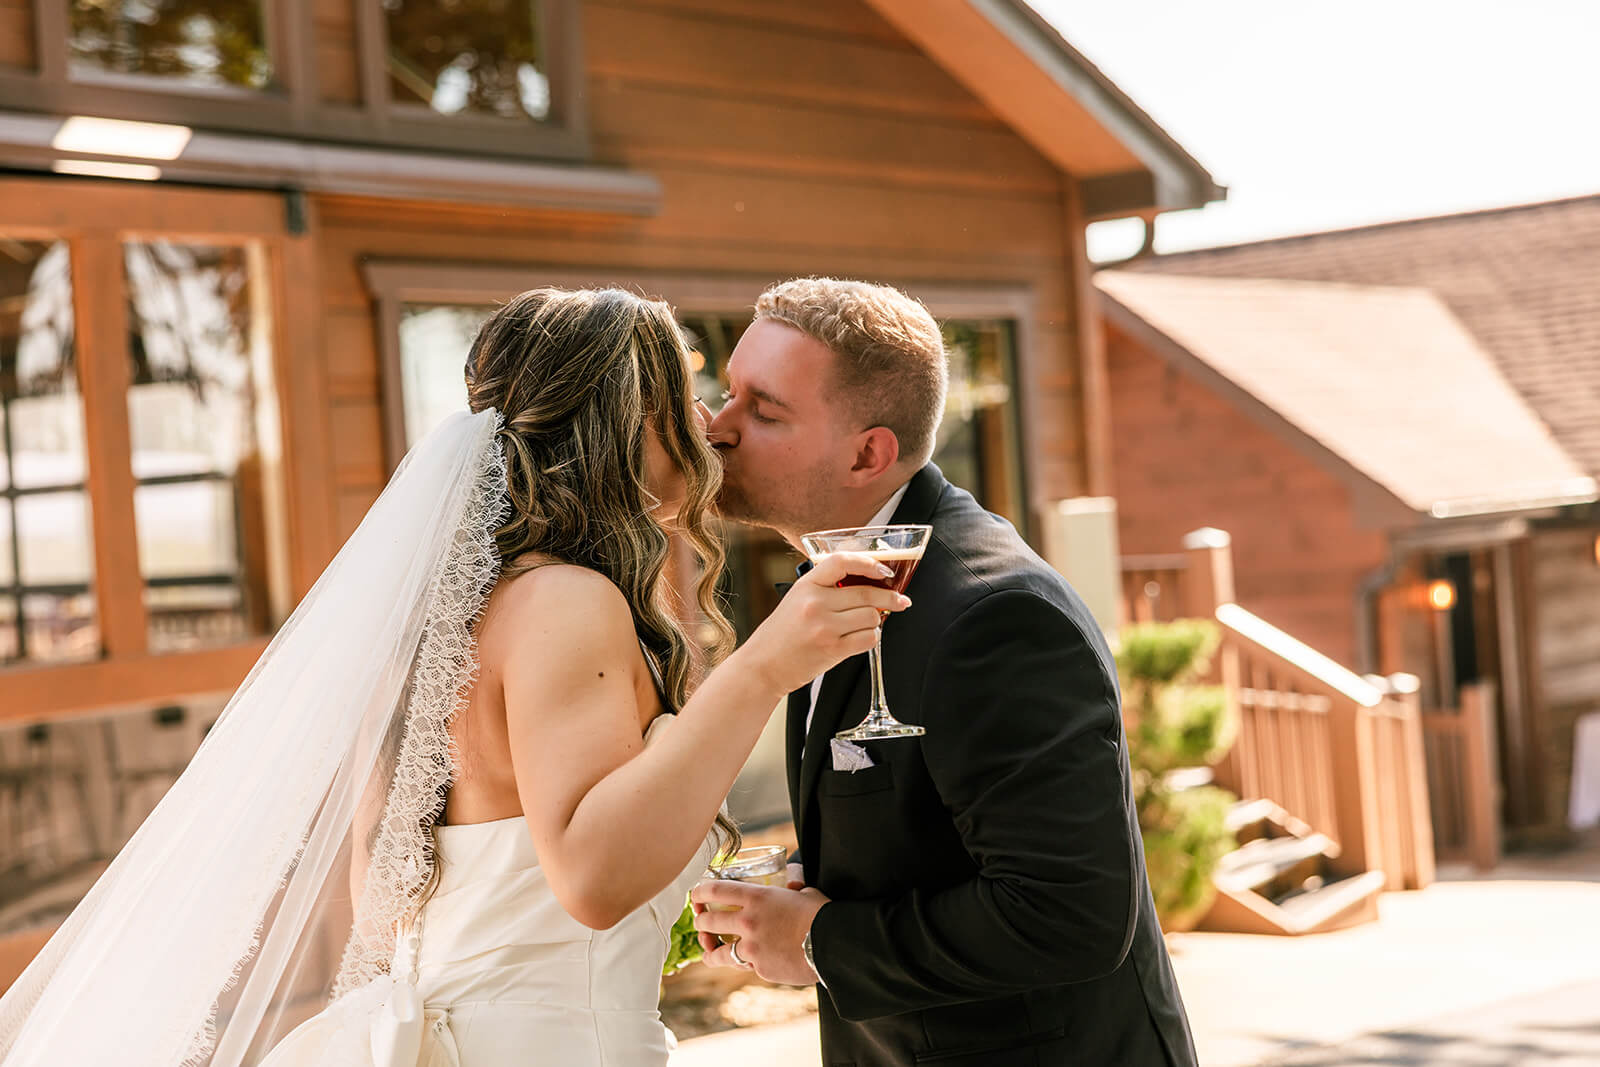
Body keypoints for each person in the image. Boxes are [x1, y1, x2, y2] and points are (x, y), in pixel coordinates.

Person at [0, 288, 905, 1067]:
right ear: (629, 418)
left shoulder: (447, 620)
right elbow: (589, 880)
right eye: (687, 393)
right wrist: (765, 667)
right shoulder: (567, 601)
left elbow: (399, 891)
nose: (709, 425)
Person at [691, 277, 1198, 1066]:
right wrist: (803, 885)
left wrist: (823, 941)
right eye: (728, 394)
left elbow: (1072, 914)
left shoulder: (994, 615)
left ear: (869, 452)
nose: (717, 429)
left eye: (764, 410)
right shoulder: (836, 585)